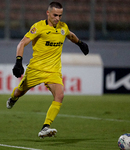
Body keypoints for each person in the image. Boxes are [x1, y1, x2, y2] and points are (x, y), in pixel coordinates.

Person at [6, 1, 89, 138]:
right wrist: (18, 62)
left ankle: (45, 127)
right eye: (55, 15)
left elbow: (70, 35)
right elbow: (22, 43)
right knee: (19, 92)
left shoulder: (63, 27)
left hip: (53, 71)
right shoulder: (38, 27)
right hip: (36, 69)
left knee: (60, 95)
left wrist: (80, 43)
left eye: (60, 15)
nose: (57, 18)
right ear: (48, 13)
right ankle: (13, 98)